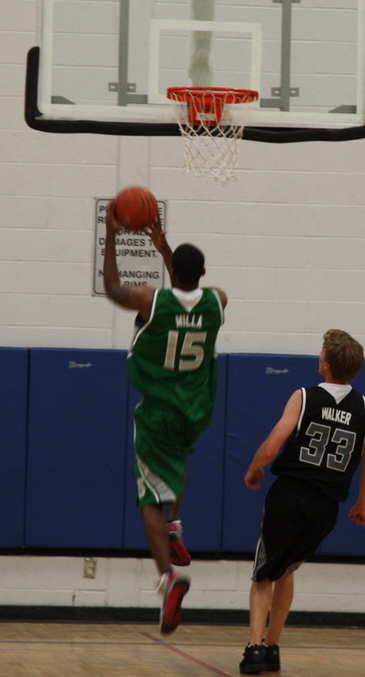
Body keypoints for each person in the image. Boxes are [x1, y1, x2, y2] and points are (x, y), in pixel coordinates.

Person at [103, 204, 227, 635]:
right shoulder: (218, 300)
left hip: (158, 410)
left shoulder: (150, 301)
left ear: (172, 272)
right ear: (203, 273)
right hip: (196, 409)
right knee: (177, 461)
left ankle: (167, 579)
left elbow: (112, 286)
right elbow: (190, 287)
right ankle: (175, 525)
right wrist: (165, 250)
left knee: (148, 498)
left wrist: (112, 235)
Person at [239, 329, 365, 674]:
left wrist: (255, 468)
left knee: (263, 574)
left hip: (290, 495)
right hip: (326, 507)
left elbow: (274, 443)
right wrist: (362, 505)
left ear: (326, 364)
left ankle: (254, 650)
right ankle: (273, 648)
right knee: (286, 570)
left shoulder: (304, 396)